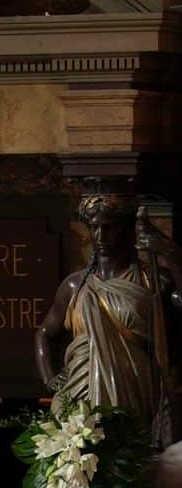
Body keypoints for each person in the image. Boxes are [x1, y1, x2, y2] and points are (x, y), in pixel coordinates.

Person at [36, 192, 182, 448]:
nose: (101, 237)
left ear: (124, 229)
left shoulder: (153, 280)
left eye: (109, 228)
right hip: (79, 393)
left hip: (136, 390)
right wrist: (50, 377)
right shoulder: (75, 285)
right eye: (94, 228)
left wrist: (170, 252)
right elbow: (45, 333)